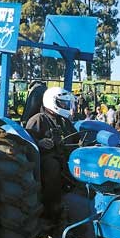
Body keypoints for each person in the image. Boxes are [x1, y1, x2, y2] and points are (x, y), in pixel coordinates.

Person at [25, 88, 77, 220]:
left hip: (65, 155)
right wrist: (39, 142)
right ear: (52, 102)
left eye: (66, 104)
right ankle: (51, 208)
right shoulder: (38, 120)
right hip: (45, 158)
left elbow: (75, 137)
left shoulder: (64, 121)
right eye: (63, 104)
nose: (65, 107)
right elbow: (26, 142)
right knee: (52, 166)